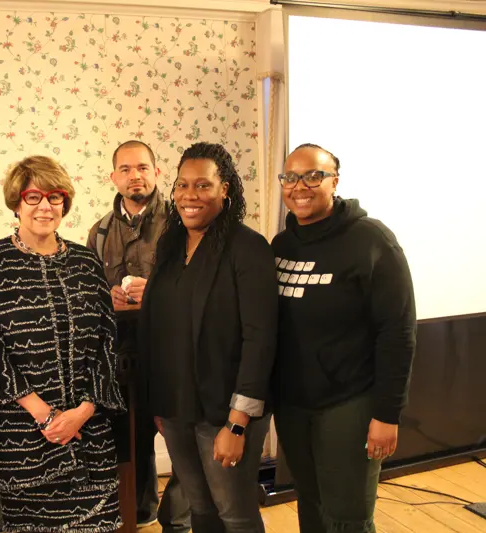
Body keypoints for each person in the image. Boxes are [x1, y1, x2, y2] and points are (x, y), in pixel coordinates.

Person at [0, 155, 126, 532]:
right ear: (17, 202)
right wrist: (47, 416)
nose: (45, 206)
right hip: (24, 438)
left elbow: (106, 344)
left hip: (89, 436)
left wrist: (83, 411)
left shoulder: (86, 262)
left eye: (55, 197)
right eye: (34, 196)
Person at [271, 143, 416, 533]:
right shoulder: (282, 245)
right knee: (311, 502)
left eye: (313, 175)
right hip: (294, 404)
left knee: (347, 516)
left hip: (349, 402)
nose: (300, 186)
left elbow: (398, 332)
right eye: (290, 177)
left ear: (335, 180)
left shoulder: (371, 241)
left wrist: (387, 414)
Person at [138, 142, 278, 533]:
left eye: (202, 185)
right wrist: (160, 404)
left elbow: (260, 339)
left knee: (235, 513)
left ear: (225, 190)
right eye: (182, 185)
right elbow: (161, 326)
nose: (189, 196)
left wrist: (237, 424)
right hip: (177, 408)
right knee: (200, 508)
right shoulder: (171, 246)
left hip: (225, 412)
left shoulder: (247, 248)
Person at [86, 140, 190, 532]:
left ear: (157, 173)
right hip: (121, 357)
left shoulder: (182, 222)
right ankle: (140, 512)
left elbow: (200, 285)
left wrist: (159, 290)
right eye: (126, 169)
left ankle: (178, 519)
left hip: (174, 353)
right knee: (132, 443)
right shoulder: (98, 233)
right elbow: (89, 292)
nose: (136, 176)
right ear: (114, 177)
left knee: (183, 444)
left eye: (143, 168)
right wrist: (106, 293)